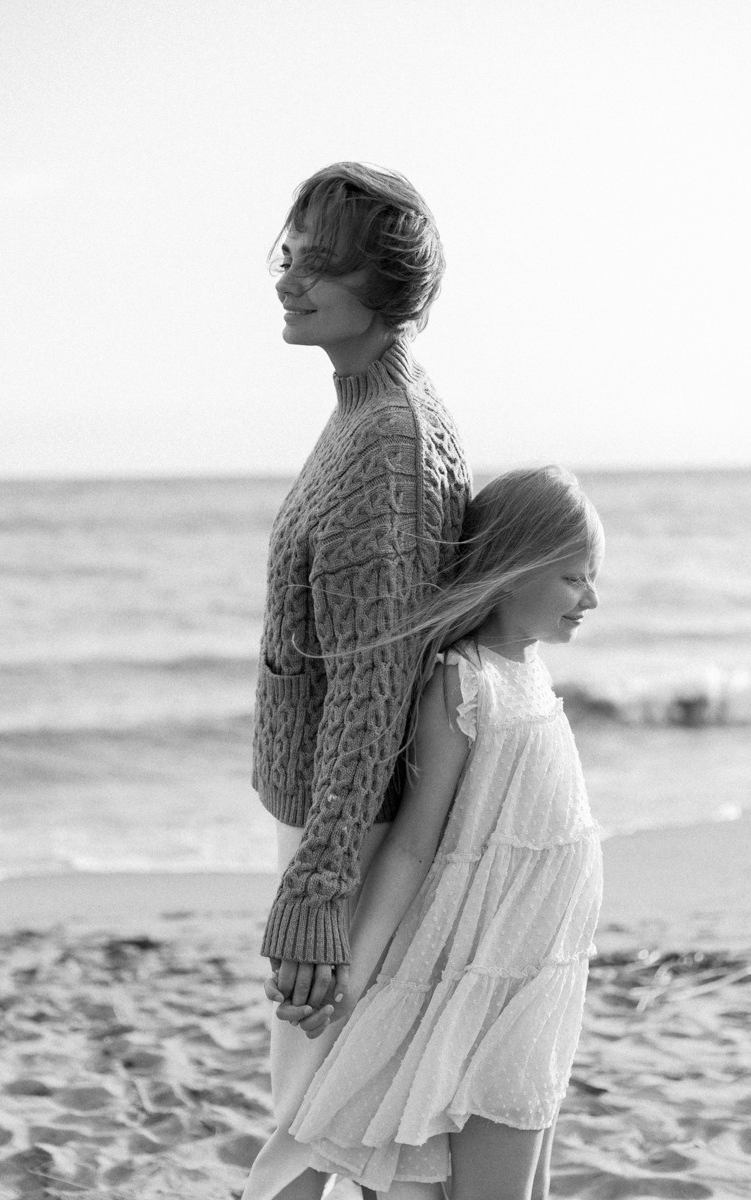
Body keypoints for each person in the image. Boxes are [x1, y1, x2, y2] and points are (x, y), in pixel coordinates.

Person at [283, 465, 605, 1200]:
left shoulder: (530, 670)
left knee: (528, 1176)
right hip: (481, 971)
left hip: (541, 969)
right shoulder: (466, 684)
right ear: (511, 569)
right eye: (573, 578)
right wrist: (355, 970)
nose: (591, 598)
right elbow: (416, 844)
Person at [244, 162, 471, 1200]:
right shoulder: (363, 408)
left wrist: (319, 887)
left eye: (320, 264)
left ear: (385, 286)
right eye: (288, 256)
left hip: (353, 827)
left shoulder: (384, 436)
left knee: (316, 1124)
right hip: (342, 817)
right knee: (345, 1123)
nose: (290, 281)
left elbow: (371, 684)